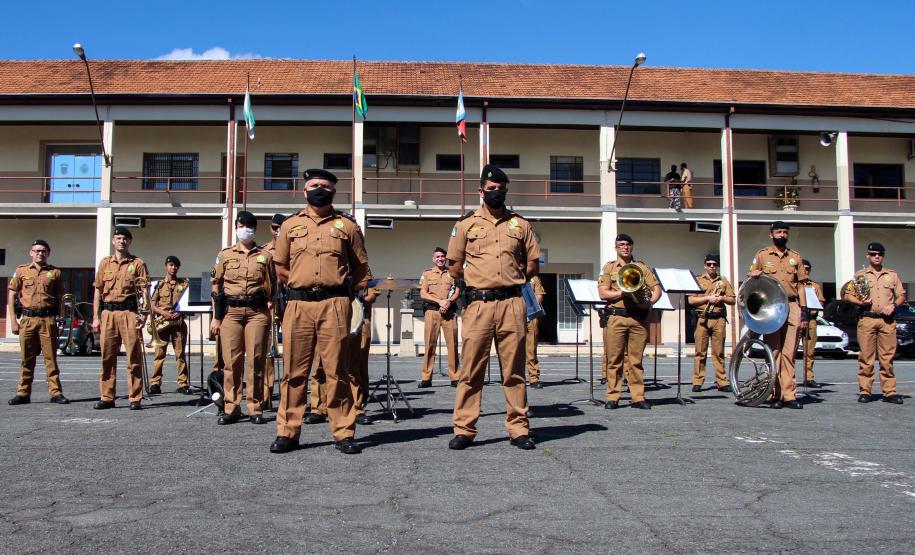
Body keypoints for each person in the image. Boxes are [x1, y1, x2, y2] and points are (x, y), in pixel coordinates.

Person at [270, 168, 372, 455]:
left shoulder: (347, 226)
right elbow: (280, 266)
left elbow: (361, 268)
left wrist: (341, 288)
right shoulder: (290, 225)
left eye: (325, 186)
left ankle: (343, 432)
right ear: (304, 191)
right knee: (294, 372)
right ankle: (287, 432)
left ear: (334, 192)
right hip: (298, 305)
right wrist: (300, 283)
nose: (319, 190)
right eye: (314, 185)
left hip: (335, 304)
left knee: (337, 371)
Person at [445, 164, 539, 451]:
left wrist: (511, 279)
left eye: (500, 188)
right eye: (491, 188)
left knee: (514, 371)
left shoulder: (520, 225)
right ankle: (464, 429)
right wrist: (478, 281)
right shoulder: (466, 224)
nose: (496, 192)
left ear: (506, 191)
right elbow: (454, 265)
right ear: (481, 191)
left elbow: (533, 263)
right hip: (479, 305)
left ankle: (518, 428)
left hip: (512, 303)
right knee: (471, 370)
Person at [210, 211, 274, 425]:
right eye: (240, 226)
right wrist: (216, 317)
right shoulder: (225, 255)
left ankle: (255, 407)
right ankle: (231, 407)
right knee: (231, 362)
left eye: (249, 226)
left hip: (257, 313)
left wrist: (271, 304)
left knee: (256, 360)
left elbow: (272, 285)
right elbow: (216, 287)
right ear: (236, 227)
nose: (244, 230)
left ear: (255, 229)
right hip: (231, 313)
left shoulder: (265, 256)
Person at [747, 221, 807, 409]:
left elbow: (802, 286)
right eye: (778, 232)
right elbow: (751, 278)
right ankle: (775, 394)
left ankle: (789, 395)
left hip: (792, 305)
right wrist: (754, 274)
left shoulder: (795, 257)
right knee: (774, 352)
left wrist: (804, 312)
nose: (782, 235)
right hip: (771, 306)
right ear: (771, 234)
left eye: (785, 232)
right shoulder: (762, 255)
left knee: (789, 353)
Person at [597, 234, 662, 409]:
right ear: (616, 247)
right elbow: (603, 293)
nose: (625, 247)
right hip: (616, 317)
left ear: (632, 247)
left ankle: (637, 397)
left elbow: (657, 289)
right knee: (614, 359)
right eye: (621, 244)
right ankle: (613, 397)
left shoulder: (641, 267)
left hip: (637, 318)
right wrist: (623, 293)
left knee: (635, 360)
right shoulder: (609, 267)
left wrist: (650, 303)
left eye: (627, 244)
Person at [92, 226, 150, 410]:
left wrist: (144, 315)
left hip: (129, 313)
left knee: (133, 357)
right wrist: (95, 317)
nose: (121, 241)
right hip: (108, 313)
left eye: (125, 238)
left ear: (129, 241)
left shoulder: (138, 263)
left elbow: (145, 291)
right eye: (118, 238)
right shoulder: (105, 263)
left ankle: (135, 397)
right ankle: (107, 397)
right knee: (107, 357)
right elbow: (98, 290)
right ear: (113, 241)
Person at [7, 239, 69, 405]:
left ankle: (56, 393)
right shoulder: (21, 270)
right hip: (28, 320)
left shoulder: (55, 272)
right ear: (31, 253)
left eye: (43, 251)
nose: (40, 253)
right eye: (37, 251)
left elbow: (60, 298)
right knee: (26, 358)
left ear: (48, 253)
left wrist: (61, 319)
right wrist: (13, 321)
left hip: (48, 320)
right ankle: (23, 393)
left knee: (51, 359)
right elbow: (12, 295)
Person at [843, 242, 905, 404]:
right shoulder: (860, 275)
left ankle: (889, 392)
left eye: (880, 254)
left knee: (887, 358)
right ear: (867, 256)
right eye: (873, 254)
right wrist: (860, 302)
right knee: (866, 358)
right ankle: (865, 391)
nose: (877, 256)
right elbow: (847, 295)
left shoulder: (892, 275)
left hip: (887, 321)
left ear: (883, 256)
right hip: (867, 319)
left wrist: (894, 305)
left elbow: (901, 295)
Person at [308, 287, 380, 426]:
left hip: (349, 312)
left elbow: (368, 287)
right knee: (320, 366)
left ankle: (356, 409)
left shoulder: (356, 271)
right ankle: (318, 409)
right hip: (323, 311)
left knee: (352, 368)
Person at [688, 252, 735, 392]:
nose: (712, 267)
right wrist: (708, 298)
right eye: (709, 264)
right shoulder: (698, 280)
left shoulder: (723, 281)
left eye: (715, 264)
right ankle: (697, 381)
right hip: (702, 318)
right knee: (700, 352)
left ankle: (722, 382)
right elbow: (691, 300)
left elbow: (732, 299)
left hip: (718, 319)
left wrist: (722, 298)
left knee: (718, 352)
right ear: (705, 265)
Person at [418, 247, 461, 388]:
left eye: (442, 256)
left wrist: (448, 302)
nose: (440, 259)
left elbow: (457, 292)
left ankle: (455, 377)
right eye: (437, 257)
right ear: (433, 259)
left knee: (452, 345)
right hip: (432, 312)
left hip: (449, 313)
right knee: (430, 345)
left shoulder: (452, 273)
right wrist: (439, 302)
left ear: (445, 258)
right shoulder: (427, 273)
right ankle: (426, 377)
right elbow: (423, 293)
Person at [149, 256, 190, 395]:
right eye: (171, 265)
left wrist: (180, 312)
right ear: (166, 266)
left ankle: (183, 383)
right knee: (159, 354)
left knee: (180, 354)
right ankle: (155, 383)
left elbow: (188, 303)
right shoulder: (159, 285)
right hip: (163, 322)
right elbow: (152, 305)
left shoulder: (184, 284)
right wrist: (164, 313)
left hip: (178, 323)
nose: (173, 268)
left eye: (176, 265)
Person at [261, 212, 287, 410]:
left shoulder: (294, 248)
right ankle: (266, 396)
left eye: (281, 227)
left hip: (290, 303)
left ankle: (289, 397)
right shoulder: (264, 251)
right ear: (270, 228)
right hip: (270, 304)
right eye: (275, 227)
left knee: (292, 351)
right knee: (269, 352)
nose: (277, 231)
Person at [800, 259, 825, 388]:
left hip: (811, 319)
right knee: (789, 351)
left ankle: (808, 378)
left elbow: (821, 301)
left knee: (809, 351)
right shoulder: (794, 284)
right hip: (795, 319)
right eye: (803, 268)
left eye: (808, 268)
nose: (806, 271)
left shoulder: (814, 286)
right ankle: (787, 378)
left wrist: (815, 304)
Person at [525, 275, 546, 388]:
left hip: (531, 316)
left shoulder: (534, 278)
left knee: (531, 350)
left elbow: (540, 296)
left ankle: (534, 378)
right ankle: (514, 378)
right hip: (513, 316)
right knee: (513, 350)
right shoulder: (511, 274)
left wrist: (530, 308)